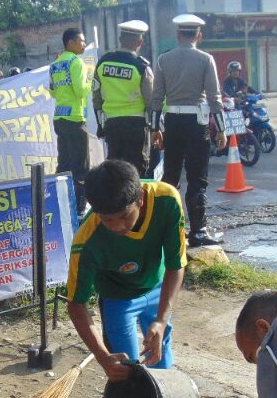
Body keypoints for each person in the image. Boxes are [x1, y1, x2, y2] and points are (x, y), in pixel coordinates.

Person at [66, 160, 187, 380]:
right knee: (127, 372)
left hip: (158, 288)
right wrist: (103, 357)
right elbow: (76, 304)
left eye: (124, 217)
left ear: (140, 198)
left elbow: (176, 265)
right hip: (118, 300)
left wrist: (160, 320)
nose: (117, 227)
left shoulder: (167, 200)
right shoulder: (86, 242)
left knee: (163, 368)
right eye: (107, 220)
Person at [155, 14, 226, 247]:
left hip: (173, 122)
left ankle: (167, 231)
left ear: (178, 34)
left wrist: (156, 129)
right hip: (197, 123)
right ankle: (198, 231)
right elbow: (214, 97)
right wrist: (222, 130)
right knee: (197, 178)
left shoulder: (163, 59)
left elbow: (157, 99)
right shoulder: (206, 59)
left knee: (171, 176)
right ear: (199, 36)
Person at [92, 19, 160, 177]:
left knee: (114, 169)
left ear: (120, 39)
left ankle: (114, 201)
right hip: (135, 125)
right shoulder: (141, 67)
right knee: (135, 169)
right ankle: (134, 201)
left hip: (111, 124)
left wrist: (100, 126)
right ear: (140, 42)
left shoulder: (102, 63)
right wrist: (156, 128)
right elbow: (151, 102)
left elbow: (96, 98)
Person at [50, 28, 91, 213]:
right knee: (80, 166)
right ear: (71, 42)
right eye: (81, 41)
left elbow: (52, 91)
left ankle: (60, 204)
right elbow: (81, 91)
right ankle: (80, 208)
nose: (84, 44)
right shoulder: (76, 62)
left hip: (59, 117)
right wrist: (91, 78)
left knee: (64, 163)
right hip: (75, 118)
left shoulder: (56, 63)